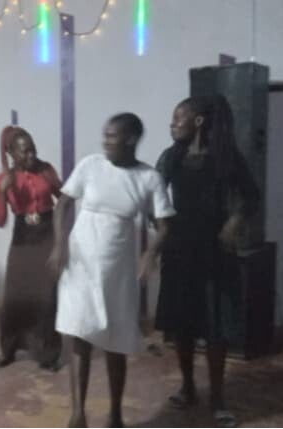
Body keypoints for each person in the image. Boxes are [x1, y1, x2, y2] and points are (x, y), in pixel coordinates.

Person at [49, 113, 175, 428]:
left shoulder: (148, 177)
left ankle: (116, 413)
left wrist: (150, 252)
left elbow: (164, 225)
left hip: (118, 268)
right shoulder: (91, 165)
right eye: (104, 135)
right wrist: (59, 244)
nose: (105, 141)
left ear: (131, 139)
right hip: (81, 263)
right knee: (79, 332)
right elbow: (63, 204)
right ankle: (78, 412)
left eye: (112, 136)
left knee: (115, 339)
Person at [154, 95, 259, 428]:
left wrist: (235, 220)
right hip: (180, 248)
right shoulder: (172, 157)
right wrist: (158, 228)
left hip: (215, 249)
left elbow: (251, 196)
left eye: (177, 118)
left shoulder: (226, 158)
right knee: (182, 325)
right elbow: (153, 194)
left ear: (197, 121)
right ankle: (187, 387)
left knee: (215, 328)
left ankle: (217, 397)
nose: (172, 125)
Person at [0, 126, 63, 371]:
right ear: (11, 153)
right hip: (22, 236)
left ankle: (48, 355)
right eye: (24, 152)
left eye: (32, 149)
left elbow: (63, 200)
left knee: (46, 295)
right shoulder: (3, 180)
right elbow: (0, 220)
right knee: (15, 295)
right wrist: (3, 193)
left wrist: (61, 237)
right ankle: (9, 350)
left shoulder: (46, 170)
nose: (31, 155)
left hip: (46, 233)